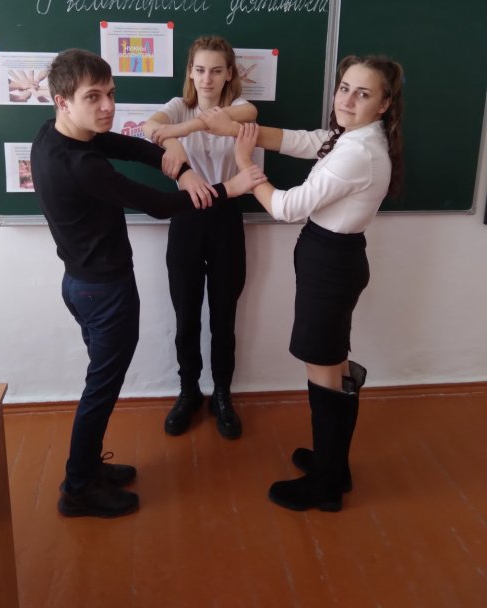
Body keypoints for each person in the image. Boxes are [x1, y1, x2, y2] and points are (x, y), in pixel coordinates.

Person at [30, 48, 265, 519]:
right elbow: (157, 205)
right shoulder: (82, 165)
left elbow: (130, 146)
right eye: (93, 97)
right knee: (101, 390)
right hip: (104, 292)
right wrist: (229, 189)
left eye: (111, 94)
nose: (107, 107)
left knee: (102, 383)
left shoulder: (56, 138)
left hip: (83, 284)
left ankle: (89, 469)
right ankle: (78, 488)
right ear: (62, 101)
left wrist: (179, 162)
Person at [203, 54, 404, 511]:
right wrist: (238, 130)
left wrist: (245, 164)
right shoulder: (353, 136)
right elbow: (303, 140)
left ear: (384, 104)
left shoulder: (357, 152)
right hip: (332, 262)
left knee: (324, 371)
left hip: (330, 268)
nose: (346, 100)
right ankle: (334, 466)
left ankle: (325, 487)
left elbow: (287, 207)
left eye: (362, 94)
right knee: (333, 366)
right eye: (344, 88)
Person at [142, 36, 258, 439]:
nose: (207, 79)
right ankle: (189, 391)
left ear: (229, 74)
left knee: (224, 318)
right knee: (186, 316)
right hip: (186, 218)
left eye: (216, 70)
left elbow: (245, 114)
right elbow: (150, 127)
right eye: (200, 70)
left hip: (227, 217)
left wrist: (176, 133)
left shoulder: (240, 109)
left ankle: (222, 394)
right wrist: (173, 143)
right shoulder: (179, 105)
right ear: (190, 72)